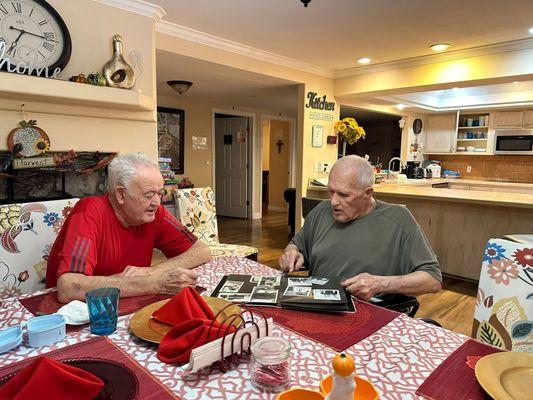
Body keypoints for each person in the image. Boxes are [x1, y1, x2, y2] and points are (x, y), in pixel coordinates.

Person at [46, 152, 211, 303]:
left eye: (160, 193)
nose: (157, 202)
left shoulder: (154, 212)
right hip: (74, 314)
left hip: (125, 303)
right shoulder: (89, 212)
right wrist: (154, 283)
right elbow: (69, 287)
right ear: (120, 194)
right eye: (149, 195)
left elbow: (201, 251)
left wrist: (152, 272)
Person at [279, 155, 441, 301]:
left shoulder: (399, 219)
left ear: (368, 193)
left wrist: (381, 284)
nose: (334, 201)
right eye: (331, 191)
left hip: (372, 313)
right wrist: (291, 253)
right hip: (317, 303)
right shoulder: (321, 211)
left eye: (344, 194)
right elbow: (295, 245)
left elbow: (432, 280)